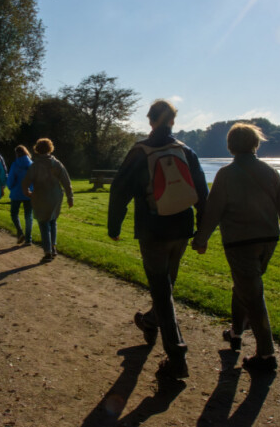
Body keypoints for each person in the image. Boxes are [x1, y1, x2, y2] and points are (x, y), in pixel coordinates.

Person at [107, 100, 209, 380]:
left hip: (152, 229)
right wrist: (202, 232)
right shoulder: (186, 151)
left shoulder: (139, 152)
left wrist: (114, 226)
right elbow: (202, 193)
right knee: (166, 287)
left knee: (162, 289)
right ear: (172, 121)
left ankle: (177, 356)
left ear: (150, 121)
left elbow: (119, 191)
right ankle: (150, 321)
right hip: (181, 228)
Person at [191, 122, 280, 373]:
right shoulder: (270, 172)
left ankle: (266, 355)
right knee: (245, 287)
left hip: (239, 242)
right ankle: (236, 333)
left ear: (230, 146)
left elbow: (214, 211)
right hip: (268, 240)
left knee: (253, 294)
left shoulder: (226, 175)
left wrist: (201, 239)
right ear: (256, 144)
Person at [22, 138, 73, 263]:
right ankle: (53, 247)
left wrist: (27, 192)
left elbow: (26, 182)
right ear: (50, 148)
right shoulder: (57, 163)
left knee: (43, 223)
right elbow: (66, 181)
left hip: (40, 196)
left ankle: (47, 251)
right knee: (52, 221)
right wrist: (70, 197)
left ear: (37, 149)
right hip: (56, 196)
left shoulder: (35, 165)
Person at [7, 145, 34, 245]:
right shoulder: (32, 164)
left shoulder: (15, 164)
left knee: (14, 213)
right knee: (28, 216)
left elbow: (10, 180)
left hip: (16, 192)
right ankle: (28, 239)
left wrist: (10, 187)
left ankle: (20, 231)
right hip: (29, 193)